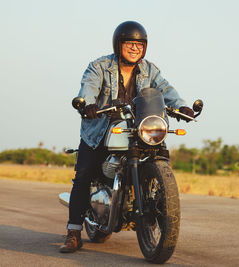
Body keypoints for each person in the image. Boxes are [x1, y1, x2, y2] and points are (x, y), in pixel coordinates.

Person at [59, 21, 194, 253]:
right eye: (129, 43)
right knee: (83, 175)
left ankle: (154, 200)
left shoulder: (150, 70)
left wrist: (181, 107)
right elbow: (88, 87)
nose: (134, 48)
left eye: (139, 44)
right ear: (118, 44)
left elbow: (165, 89)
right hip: (101, 130)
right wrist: (88, 104)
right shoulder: (99, 66)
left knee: (159, 153)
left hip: (136, 127)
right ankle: (73, 232)